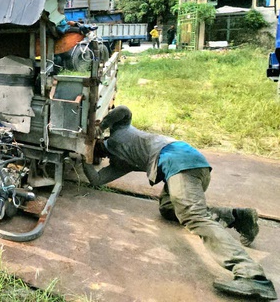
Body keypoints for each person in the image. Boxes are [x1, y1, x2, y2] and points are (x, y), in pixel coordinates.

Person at [81, 106, 276, 300]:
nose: (98, 152)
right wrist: (83, 159)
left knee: (194, 216)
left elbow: (123, 110)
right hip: (191, 166)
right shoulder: (121, 162)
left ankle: (253, 277)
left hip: (179, 161)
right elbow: (97, 180)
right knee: (168, 209)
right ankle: (237, 217)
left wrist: (102, 126)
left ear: (98, 139)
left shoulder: (119, 131)